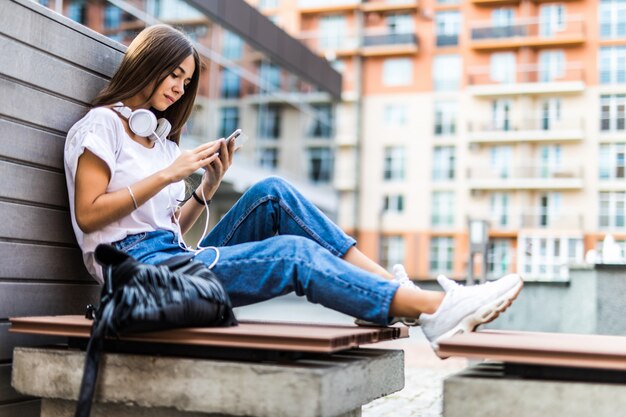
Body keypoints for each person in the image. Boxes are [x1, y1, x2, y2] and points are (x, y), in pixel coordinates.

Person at [64, 24, 523, 351]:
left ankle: (388, 286)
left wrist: (206, 187)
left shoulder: (160, 142)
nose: (180, 90)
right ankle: (435, 308)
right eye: (174, 76)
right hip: (139, 277)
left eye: (187, 82)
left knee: (272, 193)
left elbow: (167, 229)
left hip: (170, 257)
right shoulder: (101, 127)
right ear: (148, 65)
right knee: (291, 255)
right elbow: (89, 214)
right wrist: (167, 175)